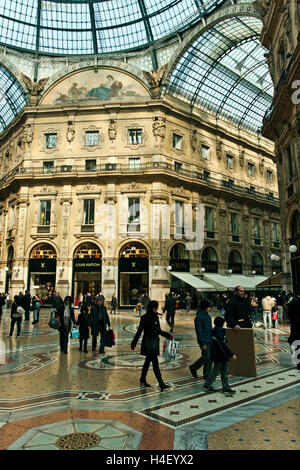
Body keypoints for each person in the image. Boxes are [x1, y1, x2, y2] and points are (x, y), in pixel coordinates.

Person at [131, 300, 173, 391]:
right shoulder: (144, 318)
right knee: (155, 363)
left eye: (156, 308)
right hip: (148, 343)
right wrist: (134, 343)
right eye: (154, 308)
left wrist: (168, 335)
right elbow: (139, 331)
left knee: (147, 362)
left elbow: (159, 330)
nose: (155, 309)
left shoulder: (156, 317)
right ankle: (161, 383)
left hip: (154, 343)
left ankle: (142, 378)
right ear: (150, 308)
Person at [203, 316, 237, 393]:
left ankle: (225, 386)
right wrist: (231, 354)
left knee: (224, 370)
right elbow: (223, 345)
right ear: (222, 324)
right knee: (216, 370)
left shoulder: (216, 330)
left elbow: (223, 331)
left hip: (220, 355)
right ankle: (208, 384)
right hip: (219, 355)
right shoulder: (219, 334)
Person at [189, 299, 213, 379]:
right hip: (203, 340)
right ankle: (193, 367)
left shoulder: (208, 316)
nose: (210, 309)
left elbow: (210, 328)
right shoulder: (199, 317)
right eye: (209, 307)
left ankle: (207, 374)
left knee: (210, 358)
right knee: (206, 357)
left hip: (210, 339)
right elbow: (199, 331)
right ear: (205, 307)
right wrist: (202, 343)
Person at [287, 291, 300, 370]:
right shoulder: (294, 303)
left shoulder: (295, 302)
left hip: (296, 327)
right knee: (298, 345)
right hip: (297, 327)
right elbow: (290, 315)